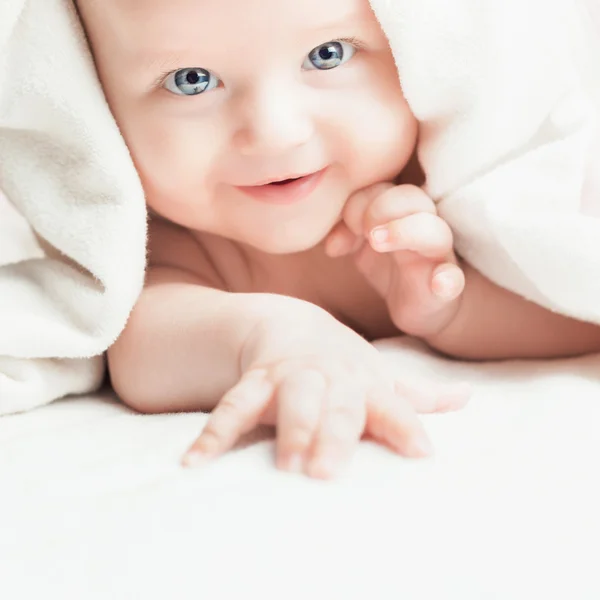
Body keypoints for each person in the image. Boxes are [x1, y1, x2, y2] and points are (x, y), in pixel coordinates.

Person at [75, 0, 600, 479]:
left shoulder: (449, 187)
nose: (276, 131)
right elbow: (139, 342)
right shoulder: (171, 239)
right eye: (191, 80)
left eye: (327, 55)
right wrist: (272, 337)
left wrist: (452, 309)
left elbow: (576, 309)